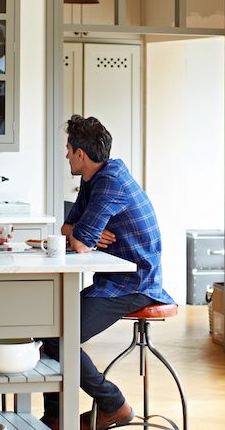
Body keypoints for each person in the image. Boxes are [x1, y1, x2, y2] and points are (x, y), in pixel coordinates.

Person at [41, 115, 175, 430]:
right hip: (114, 281)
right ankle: (56, 418)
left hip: (134, 284)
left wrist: (82, 235)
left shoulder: (110, 182)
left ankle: (113, 405)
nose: (66, 156)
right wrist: (82, 233)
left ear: (80, 155)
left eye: (68, 150)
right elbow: (68, 230)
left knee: (58, 337)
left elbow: (79, 242)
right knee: (50, 328)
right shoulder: (94, 179)